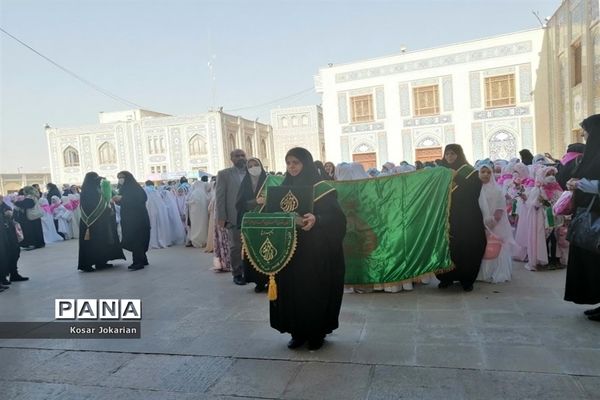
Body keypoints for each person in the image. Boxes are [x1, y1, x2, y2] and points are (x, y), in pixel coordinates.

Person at [270, 147, 347, 351]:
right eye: (288, 163)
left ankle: (316, 333)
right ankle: (297, 333)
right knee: (292, 292)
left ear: (306, 163)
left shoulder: (321, 189)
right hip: (289, 252)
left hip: (314, 253)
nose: (292, 167)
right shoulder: (282, 187)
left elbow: (338, 219)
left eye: (296, 162)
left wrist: (317, 219)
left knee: (313, 292)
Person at [436, 144, 486, 292]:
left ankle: (467, 279)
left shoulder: (470, 172)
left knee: (468, 246)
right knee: (449, 247)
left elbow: (474, 191)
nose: (449, 157)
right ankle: (446, 278)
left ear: (459, 154)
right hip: (448, 216)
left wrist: (457, 176)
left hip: (468, 216)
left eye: (452, 154)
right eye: (447, 154)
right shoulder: (441, 172)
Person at [564, 114, 600, 321]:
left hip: (596, 218)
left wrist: (580, 184)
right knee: (591, 264)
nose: (584, 136)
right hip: (588, 216)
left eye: (587, 132)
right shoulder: (592, 154)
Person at [475, 159, 513, 283]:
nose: (485, 174)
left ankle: (493, 272)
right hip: (479, 224)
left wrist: (491, 223)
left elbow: (500, 208)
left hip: (494, 225)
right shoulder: (475, 190)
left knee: (494, 247)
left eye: (488, 172)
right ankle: (481, 273)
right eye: (483, 172)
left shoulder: (497, 190)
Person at [78, 172, 125, 272]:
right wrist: (106, 206)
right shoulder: (88, 191)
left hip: (100, 222)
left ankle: (101, 262)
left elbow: (103, 201)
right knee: (91, 244)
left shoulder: (96, 189)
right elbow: (93, 205)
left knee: (101, 242)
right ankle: (86, 264)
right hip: (91, 223)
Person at [235, 157, 269, 292]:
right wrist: (255, 202)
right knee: (253, 252)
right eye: (250, 165)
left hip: (267, 224)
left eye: (256, 164)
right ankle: (258, 281)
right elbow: (239, 204)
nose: (254, 167)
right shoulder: (245, 184)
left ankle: (270, 279)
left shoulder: (268, 181)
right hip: (251, 225)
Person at [216, 149, 247, 285]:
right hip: (234, 216)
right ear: (231, 159)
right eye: (237, 156)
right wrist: (222, 217)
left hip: (252, 216)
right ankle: (237, 273)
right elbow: (220, 197)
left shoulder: (252, 171)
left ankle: (252, 273)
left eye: (243, 155)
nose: (240, 158)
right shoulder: (224, 174)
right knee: (236, 246)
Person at [114, 171, 150, 271]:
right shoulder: (123, 188)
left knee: (136, 239)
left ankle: (138, 262)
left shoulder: (135, 188)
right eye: (119, 177)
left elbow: (141, 199)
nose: (120, 179)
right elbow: (124, 203)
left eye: (122, 177)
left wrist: (123, 198)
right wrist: (119, 200)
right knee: (136, 239)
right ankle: (143, 259)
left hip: (138, 218)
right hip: (129, 218)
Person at [0, 198, 28, 284]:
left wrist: (8, 211)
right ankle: (2, 277)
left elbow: (7, 208)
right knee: (3, 255)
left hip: (8, 230)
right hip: (3, 232)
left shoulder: (2, 203)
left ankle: (14, 273)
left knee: (15, 251)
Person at [187, 181, 210, 248]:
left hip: (195, 214)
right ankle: (203, 241)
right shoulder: (204, 193)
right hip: (203, 215)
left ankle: (196, 241)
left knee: (195, 227)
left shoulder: (194, 193)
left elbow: (190, 202)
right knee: (203, 227)